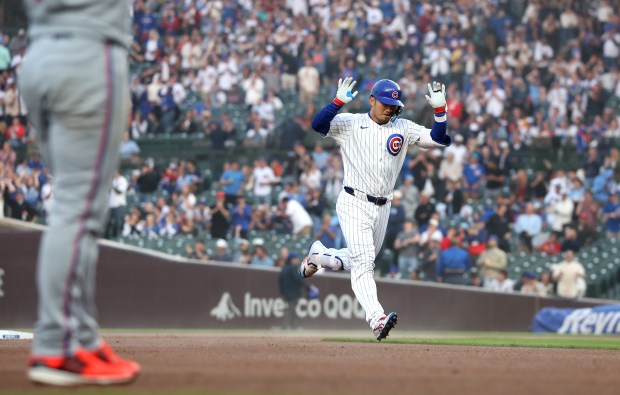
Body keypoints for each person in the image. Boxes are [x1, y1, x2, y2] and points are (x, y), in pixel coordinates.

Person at [19, 0, 140, 386]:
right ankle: (58, 347)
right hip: (87, 52)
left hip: (39, 51)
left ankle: (82, 339)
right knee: (77, 210)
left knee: (71, 207)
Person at [299, 77, 451, 340]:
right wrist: (337, 103)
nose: (390, 108)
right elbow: (317, 125)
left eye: (394, 104)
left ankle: (319, 257)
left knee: (358, 259)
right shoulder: (351, 122)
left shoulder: (402, 127)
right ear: (372, 100)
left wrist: (440, 111)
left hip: (383, 207)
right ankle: (377, 319)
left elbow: (437, 140)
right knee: (364, 262)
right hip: (353, 200)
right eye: (385, 103)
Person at [278, 252, 312, 329]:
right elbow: (298, 279)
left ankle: (292, 326)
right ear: (292, 259)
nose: (297, 260)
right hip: (293, 293)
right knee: (291, 309)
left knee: (291, 309)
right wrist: (308, 287)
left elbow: (280, 280)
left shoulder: (284, 268)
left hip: (285, 293)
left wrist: (283, 291)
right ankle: (286, 326)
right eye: (296, 258)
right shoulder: (293, 268)